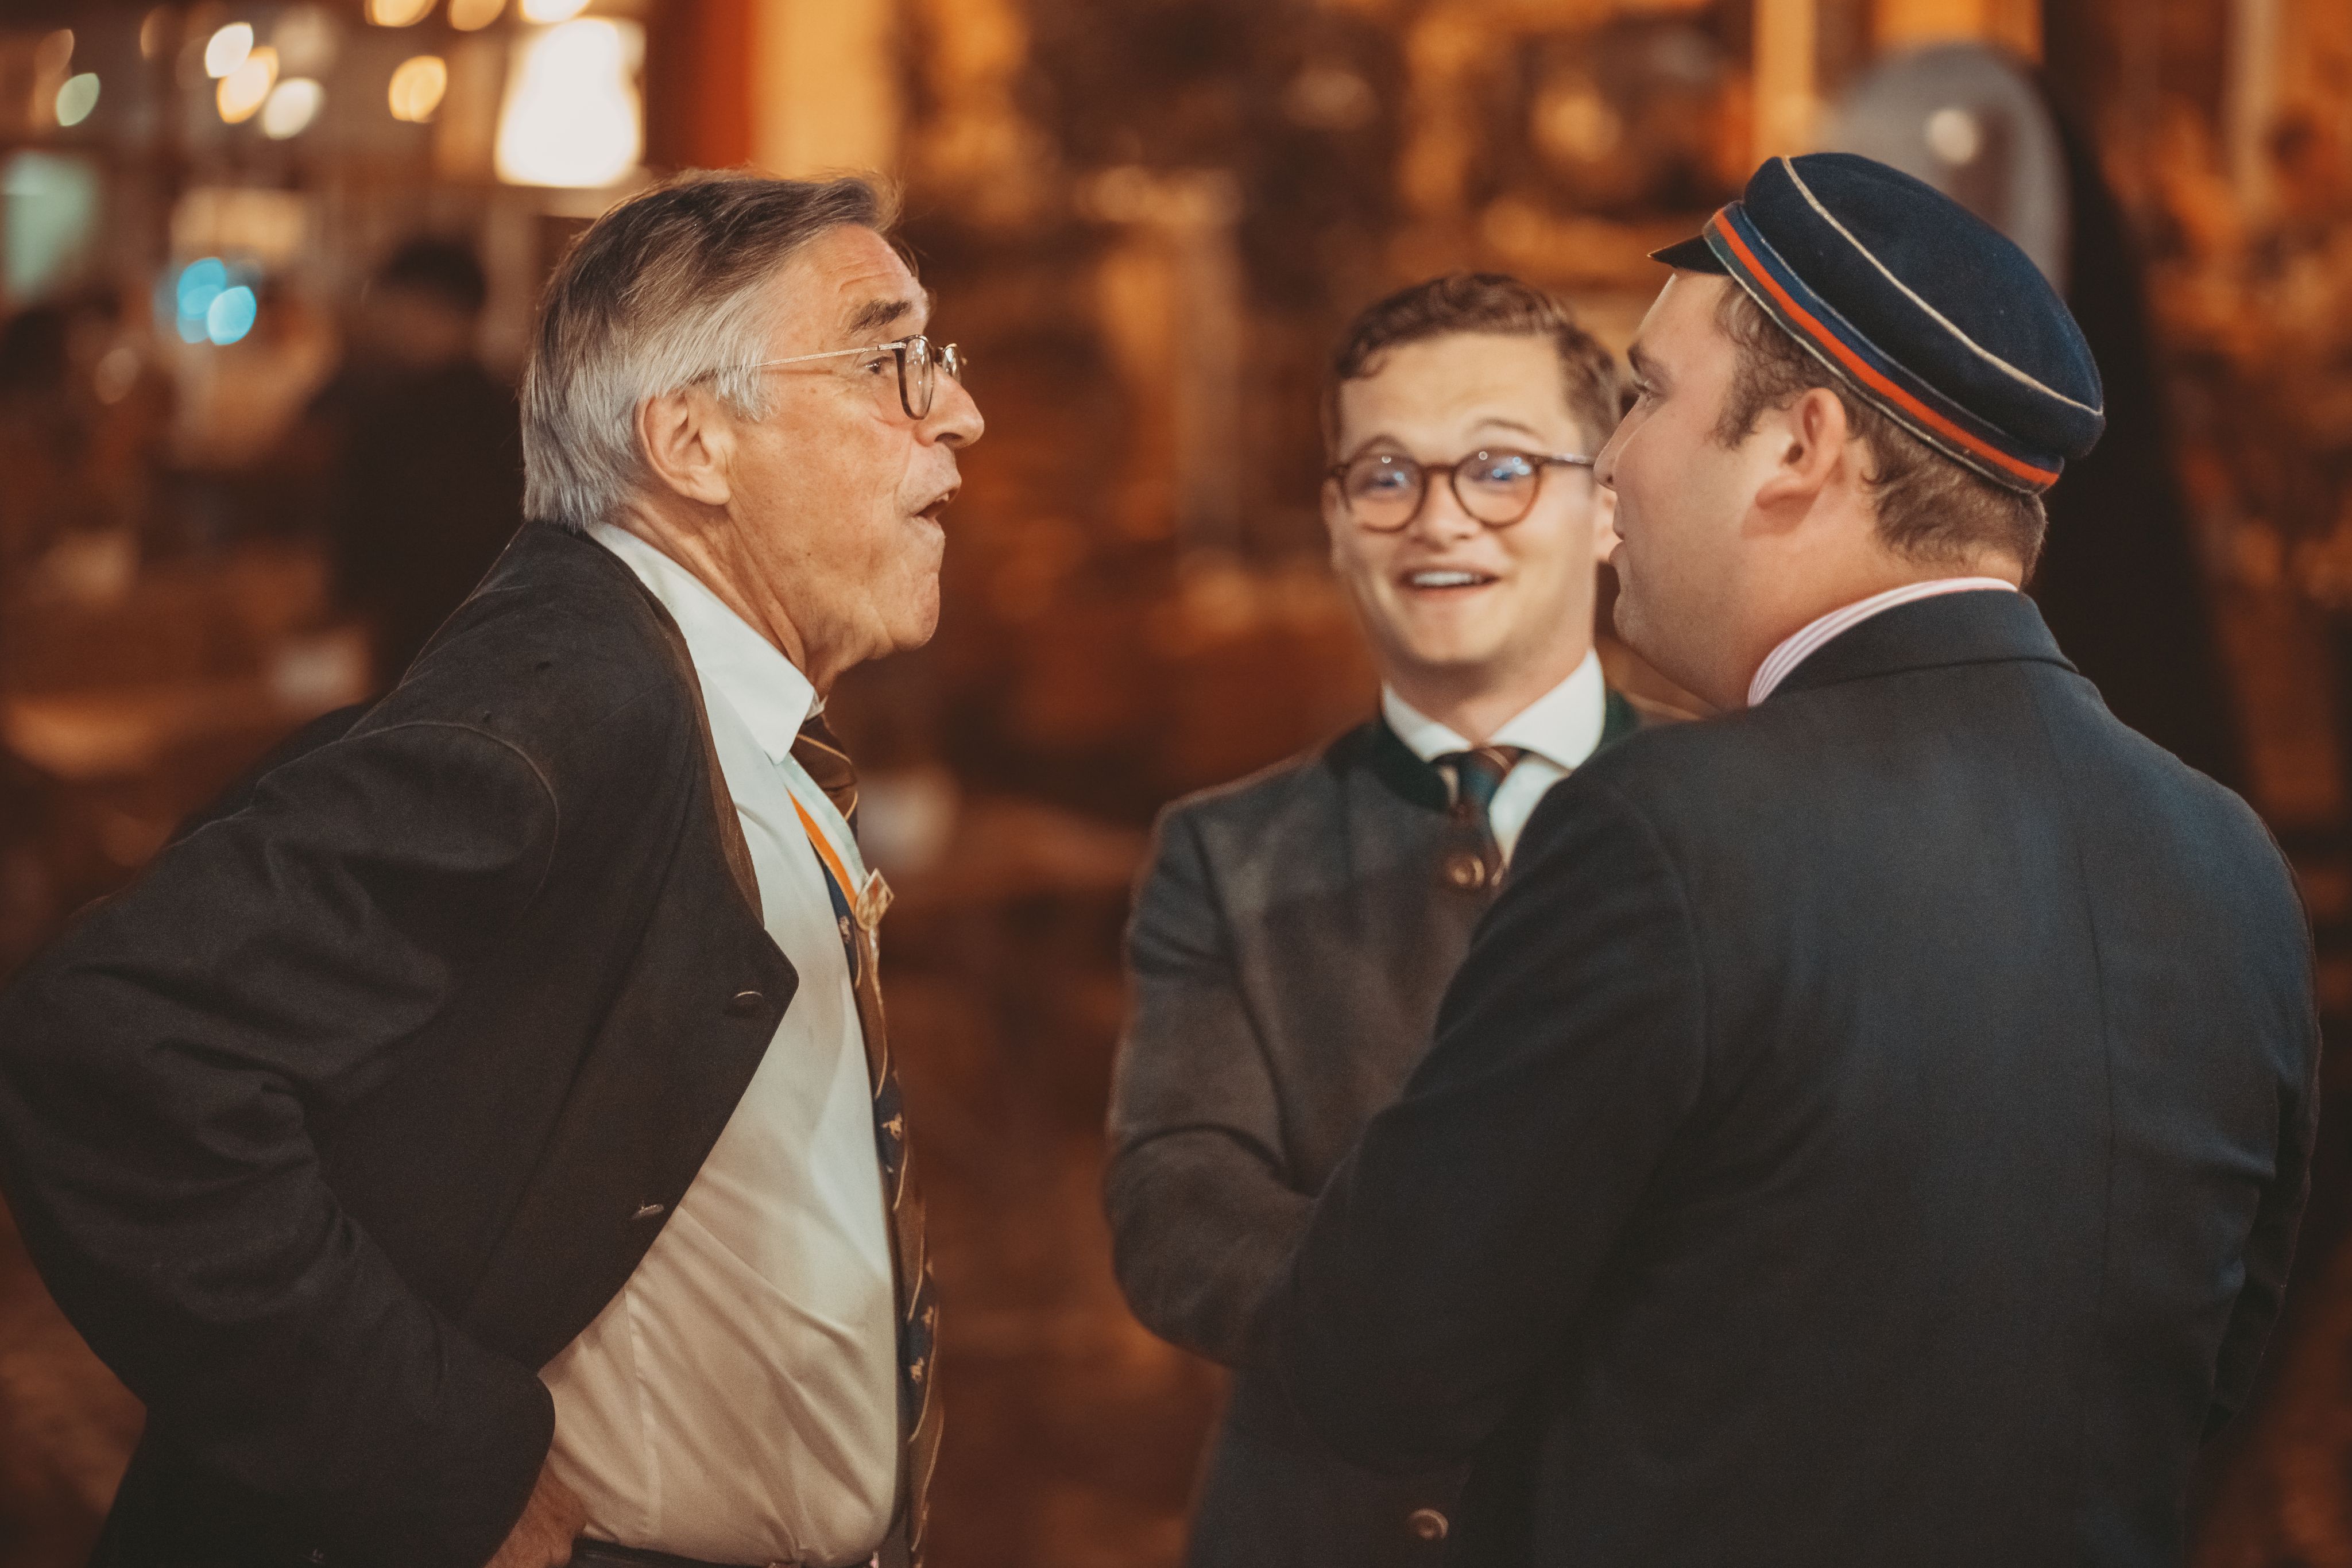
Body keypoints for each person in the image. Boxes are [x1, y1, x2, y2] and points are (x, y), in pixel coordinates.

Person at [1266, 153, 2320, 1565]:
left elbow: (1371, 1357)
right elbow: (2210, 1367)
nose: (1605, 462)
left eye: (1645, 395)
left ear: (1801, 445)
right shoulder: (2228, 862)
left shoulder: (1668, 835)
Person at [0, 171, 981, 1568]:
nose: (957, 411)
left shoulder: (701, 701)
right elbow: (111, 1047)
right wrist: (442, 1466)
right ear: (693, 439)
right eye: (888, 361)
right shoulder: (576, 701)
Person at [1107, 274, 1644, 1566]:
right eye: (1386, 475)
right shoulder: (1226, 854)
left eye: (1500, 468)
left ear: (1608, 506)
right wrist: (1428, 1309)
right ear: (1337, 521)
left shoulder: (1742, 811)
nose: (1438, 518)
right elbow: (1177, 1199)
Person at [315, 238, 527, 688]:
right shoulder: (513, 409)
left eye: (395, 304)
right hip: (502, 626)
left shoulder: (390, 412)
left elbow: (358, 529)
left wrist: (346, 603)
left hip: (410, 628)